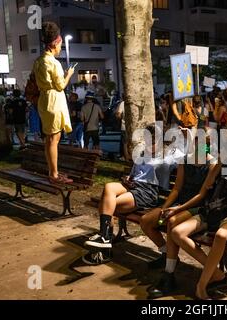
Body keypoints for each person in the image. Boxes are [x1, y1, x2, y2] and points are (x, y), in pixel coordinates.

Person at [149, 124, 227, 299]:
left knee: (221, 236)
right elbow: (208, 185)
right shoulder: (223, 162)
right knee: (177, 232)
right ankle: (216, 273)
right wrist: (219, 163)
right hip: (213, 210)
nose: (225, 143)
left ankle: (201, 285)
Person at [81, 125, 173, 265]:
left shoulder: (168, 157)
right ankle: (105, 237)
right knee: (109, 187)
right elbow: (135, 174)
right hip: (133, 186)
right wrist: (127, 179)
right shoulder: (141, 153)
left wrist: (203, 145)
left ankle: (105, 245)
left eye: (153, 141)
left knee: (108, 205)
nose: (149, 144)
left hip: (148, 192)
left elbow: (196, 155)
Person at [140, 134, 219, 270]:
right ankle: (166, 252)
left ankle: (169, 270)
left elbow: (201, 195)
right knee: (145, 220)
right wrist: (164, 207)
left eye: (205, 143)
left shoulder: (212, 164)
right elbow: (177, 188)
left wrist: (178, 209)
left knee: (172, 221)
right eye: (197, 141)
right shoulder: (184, 161)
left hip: (196, 206)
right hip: (179, 203)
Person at [32, 21, 75, 184]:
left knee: (49, 139)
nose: (60, 48)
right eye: (60, 45)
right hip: (54, 101)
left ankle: (53, 171)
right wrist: (69, 74)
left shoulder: (39, 60)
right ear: (55, 43)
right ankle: (54, 174)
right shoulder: (53, 62)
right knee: (53, 140)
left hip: (44, 101)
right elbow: (61, 85)